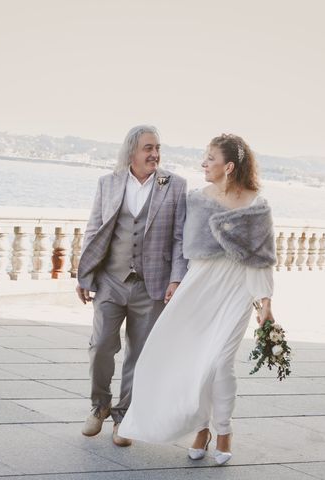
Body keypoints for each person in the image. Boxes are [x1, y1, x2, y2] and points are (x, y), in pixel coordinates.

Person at [119, 133, 276, 465]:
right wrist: (174, 280)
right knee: (192, 363)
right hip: (198, 287)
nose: (203, 164)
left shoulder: (257, 205)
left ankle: (224, 431)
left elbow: (261, 259)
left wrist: (265, 302)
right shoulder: (196, 199)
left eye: (210, 159)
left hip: (235, 289)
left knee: (219, 364)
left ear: (229, 166)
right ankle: (201, 429)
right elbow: (176, 243)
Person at [76, 125, 188, 447]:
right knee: (100, 347)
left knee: (138, 355)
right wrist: (84, 275)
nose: (154, 154)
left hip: (151, 286)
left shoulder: (175, 186)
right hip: (111, 281)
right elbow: (93, 230)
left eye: (157, 148)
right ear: (131, 152)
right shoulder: (108, 183)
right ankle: (99, 405)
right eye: (148, 148)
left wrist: (176, 279)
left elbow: (180, 238)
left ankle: (124, 417)